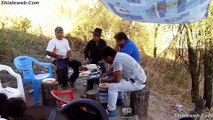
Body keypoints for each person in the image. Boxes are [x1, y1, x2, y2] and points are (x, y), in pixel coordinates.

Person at [100, 46, 147, 117]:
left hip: (137, 83)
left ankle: (111, 111)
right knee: (117, 81)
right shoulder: (119, 55)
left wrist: (104, 80)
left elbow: (116, 79)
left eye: (105, 59)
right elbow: (118, 73)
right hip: (138, 78)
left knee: (113, 86)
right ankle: (119, 100)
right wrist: (108, 73)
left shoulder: (116, 61)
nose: (106, 62)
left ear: (109, 57)